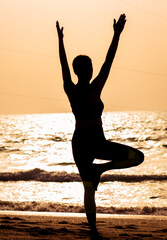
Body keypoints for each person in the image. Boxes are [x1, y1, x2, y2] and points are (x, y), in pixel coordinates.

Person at [56, 14, 144, 235]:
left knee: (88, 189)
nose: (93, 69)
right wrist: (116, 34)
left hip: (81, 143)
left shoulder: (73, 89)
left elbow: (66, 66)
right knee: (136, 157)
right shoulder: (90, 89)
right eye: (90, 67)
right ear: (85, 71)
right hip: (93, 141)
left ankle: (94, 230)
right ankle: (100, 171)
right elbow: (108, 62)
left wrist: (60, 40)